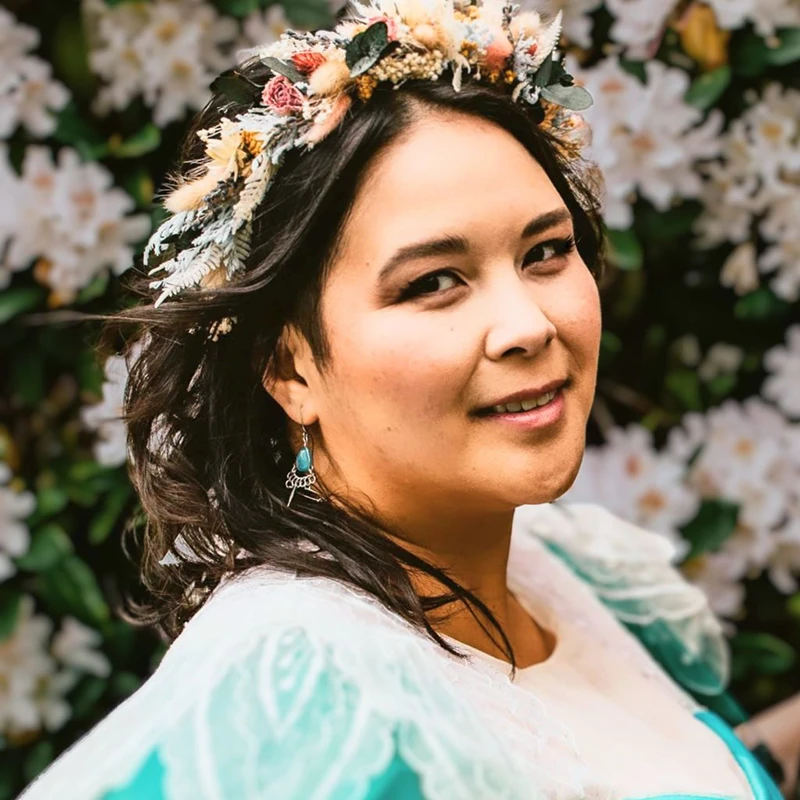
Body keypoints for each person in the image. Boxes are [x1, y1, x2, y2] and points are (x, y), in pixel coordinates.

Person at [19, 0, 795, 797]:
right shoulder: (304, 696)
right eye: (432, 283)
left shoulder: (568, 577)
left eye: (546, 251)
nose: (527, 325)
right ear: (288, 369)